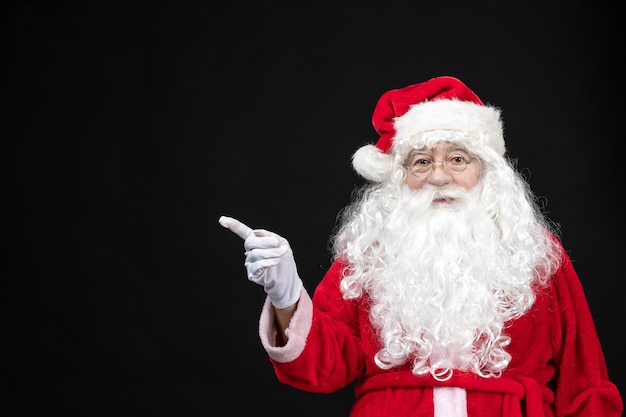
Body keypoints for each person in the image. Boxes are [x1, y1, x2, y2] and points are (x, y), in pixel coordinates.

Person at [218, 76, 623, 416]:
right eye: (422, 162)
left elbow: (584, 381)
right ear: (401, 176)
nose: (439, 177)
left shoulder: (535, 252)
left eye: (458, 159)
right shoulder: (369, 253)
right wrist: (287, 293)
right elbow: (325, 368)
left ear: (487, 172)